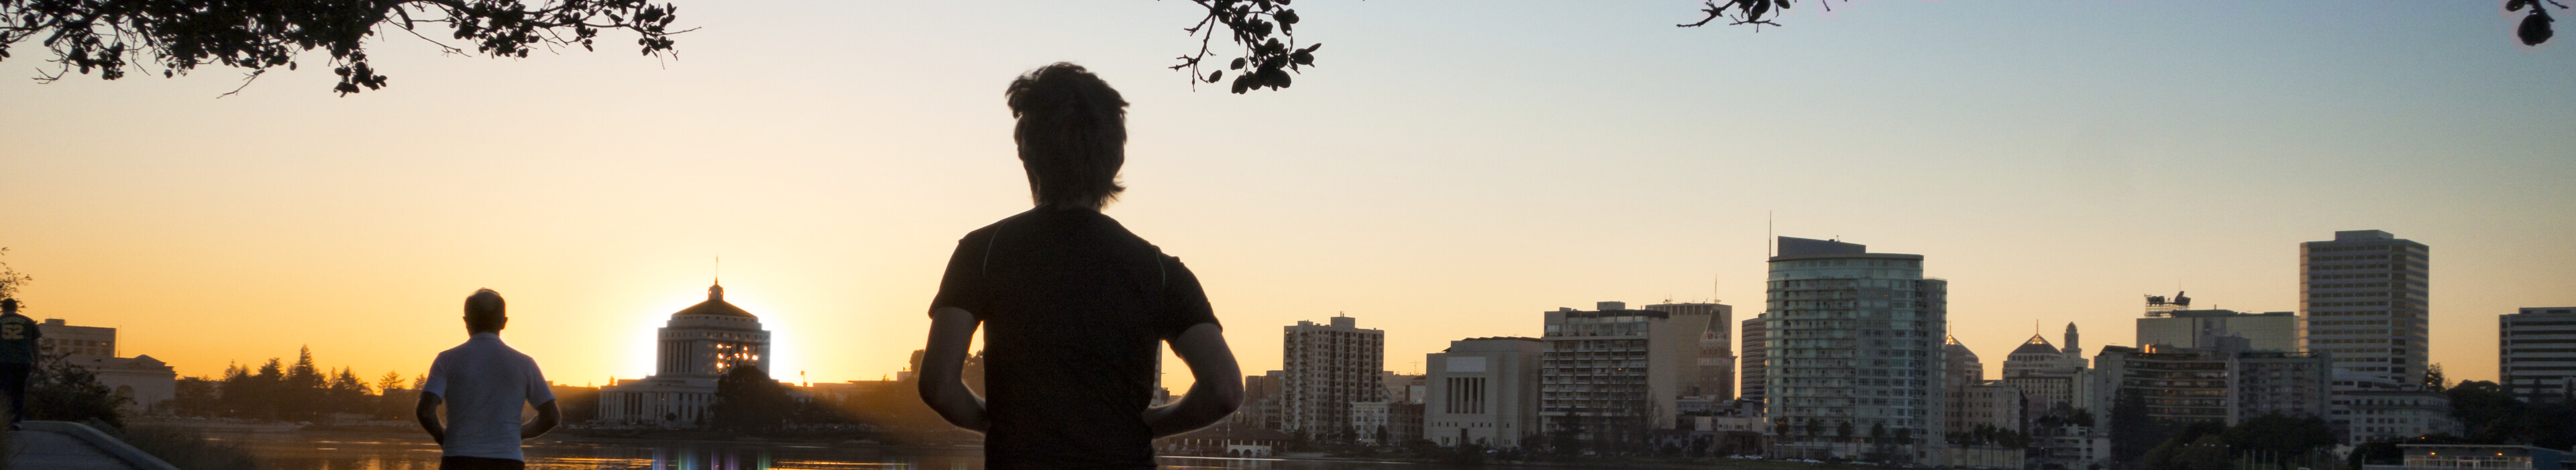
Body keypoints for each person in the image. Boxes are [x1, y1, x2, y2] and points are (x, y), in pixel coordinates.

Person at [920, 62, 1244, 469]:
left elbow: (938, 383)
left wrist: (1005, 425)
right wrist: (1143, 426)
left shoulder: (982, 252)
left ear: (1027, 156)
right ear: (1116, 159)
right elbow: (1225, 389)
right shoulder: (1160, 271)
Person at [417, 289, 560, 470]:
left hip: (458, 459)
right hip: (507, 461)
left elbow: (425, 412)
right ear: (504, 322)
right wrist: (519, 434)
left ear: (466, 321)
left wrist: (443, 438)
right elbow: (552, 417)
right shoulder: (525, 364)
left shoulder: (446, 360)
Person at [0, 298, 39, 428]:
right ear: (16, 307)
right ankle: (16, 421)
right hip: (23, 361)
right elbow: (35, 344)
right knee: (19, 390)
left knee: (4, 391)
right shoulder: (28, 322)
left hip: (3, 361)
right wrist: (36, 361)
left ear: (3, 308)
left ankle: (4, 419)